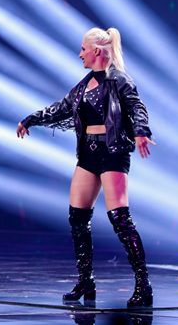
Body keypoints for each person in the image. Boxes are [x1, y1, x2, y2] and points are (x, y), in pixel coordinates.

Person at [17, 27, 156, 307]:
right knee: (78, 217)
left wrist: (141, 132)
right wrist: (31, 119)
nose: (80, 54)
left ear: (97, 51)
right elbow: (61, 108)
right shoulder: (83, 85)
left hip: (112, 152)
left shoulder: (120, 80)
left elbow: (137, 108)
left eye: (83, 48)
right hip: (88, 153)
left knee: (120, 218)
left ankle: (143, 284)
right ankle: (86, 280)